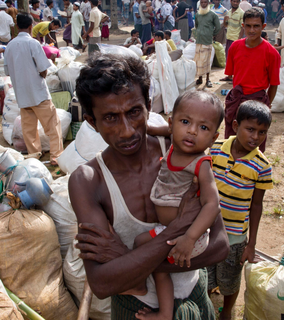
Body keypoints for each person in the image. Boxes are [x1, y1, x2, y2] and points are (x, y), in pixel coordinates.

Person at [70, 53, 228, 320]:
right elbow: (102, 283)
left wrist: (129, 259)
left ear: (148, 106)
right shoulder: (88, 181)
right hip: (137, 312)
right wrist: (179, 229)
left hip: (194, 296)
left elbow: (220, 245)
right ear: (91, 122)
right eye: (110, 118)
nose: (128, 130)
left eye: (134, 112)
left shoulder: (182, 152)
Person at [132, 90, 224, 320]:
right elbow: (166, 130)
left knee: (153, 261)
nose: (192, 131)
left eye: (204, 128)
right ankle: (142, 287)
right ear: (172, 124)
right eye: (185, 122)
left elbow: (213, 205)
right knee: (140, 245)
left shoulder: (200, 163)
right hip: (170, 230)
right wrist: (150, 129)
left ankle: (163, 311)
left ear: (214, 137)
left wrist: (190, 237)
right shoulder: (175, 143)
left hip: (187, 235)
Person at [208, 100, 273, 320]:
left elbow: (256, 206)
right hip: (207, 230)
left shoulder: (262, 167)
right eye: (251, 129)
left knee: (230, 279)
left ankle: (227, 311)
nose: (255, 137)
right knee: (205, 274)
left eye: (262, 132)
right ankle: (205, 305)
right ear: (235, 126)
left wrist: (251, 244)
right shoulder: (216, 149)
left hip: (234, 237)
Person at [5, 14, 63, 162]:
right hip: (38, 93)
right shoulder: (33, 43)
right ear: (31, 26)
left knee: (29, 129)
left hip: (22, 94)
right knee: (52, 126)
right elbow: (43, 69)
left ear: (17, 27)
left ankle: (34, 155)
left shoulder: (10, 46)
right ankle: (56, 156)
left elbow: (7, 71)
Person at [223, 8, 279, 145]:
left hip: (258, 101)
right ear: (243, 26)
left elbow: (274, 84)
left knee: (254, 142)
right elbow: (233, 76)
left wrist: (266, 106)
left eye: (256, 26)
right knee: (232, 140)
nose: (252, 30)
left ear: (263, 27)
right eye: (248, 26)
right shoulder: (235, 47)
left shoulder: (272, 53)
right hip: (237, 100)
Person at [195, 0, 220, 88]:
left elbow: (218, 27)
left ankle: (208, 79)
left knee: (207, 61)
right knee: (199, 60)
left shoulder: (212, 15)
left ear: (208, 3)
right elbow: (196, 25)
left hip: (207, 41)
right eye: (202, 2)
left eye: (205, 2)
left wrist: (211, 34)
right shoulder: (198, 14)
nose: (203, 4)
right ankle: (200, 78)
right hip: (199, 41)